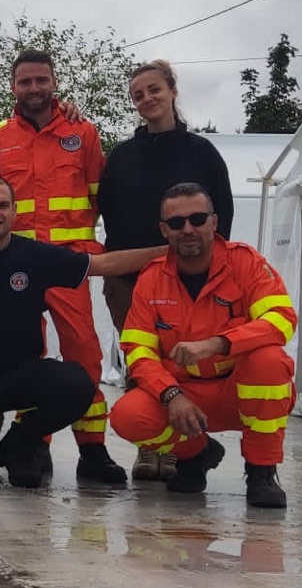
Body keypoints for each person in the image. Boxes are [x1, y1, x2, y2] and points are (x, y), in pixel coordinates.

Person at [0, 175, 162, 488]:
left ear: (15, 211)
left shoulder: (35, 256)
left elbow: (103, 265)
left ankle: (19, 441)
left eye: (3, 205)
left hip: (21, 376)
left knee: (77, 384)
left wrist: (168, 251)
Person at [108, 183, 295, 509]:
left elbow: (281, 320)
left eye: (197, 219)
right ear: (164, 230)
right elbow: (138, 351)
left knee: (269, 360)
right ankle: (196, 454)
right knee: (127, 416)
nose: (188, 229)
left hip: (240, 389)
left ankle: (262, 471)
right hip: (185, 394)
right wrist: (171, 394)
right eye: (176, 223)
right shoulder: (151, 279)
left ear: (214, 221)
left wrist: (220, 343)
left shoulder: (247, 264)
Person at [0, 49, 123, 486]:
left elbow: (101, 197)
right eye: (25, 81)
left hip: (67, 262)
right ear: (13, 87)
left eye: (41, 80)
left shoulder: (83, 132)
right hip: (17, 264)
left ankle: (93, 450)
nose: (34, 88)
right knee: (27, 356)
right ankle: (32, 444)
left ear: (54, 82)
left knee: (84, 352)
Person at [96, 58, 235, 479]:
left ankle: (178, 449)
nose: (147, 99)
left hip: (188, 280)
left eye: (154, 89)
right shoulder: (121, 157)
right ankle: (149, 447)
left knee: (178, 362)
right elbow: (110, 214)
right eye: (137, 94)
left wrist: (204, 270)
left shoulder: (202, 153)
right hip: (130, 279)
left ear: (173, 91)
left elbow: (221, 218)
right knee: (141, 361)